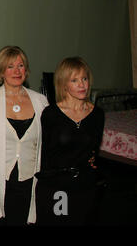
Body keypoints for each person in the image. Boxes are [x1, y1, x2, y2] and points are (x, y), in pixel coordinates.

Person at [35, 57, 105, 225]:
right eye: (74, 80)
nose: (82, 84)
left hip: (85, 186)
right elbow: (45, 156)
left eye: (84, 78)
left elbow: (94, 150)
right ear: (64, 84)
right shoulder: (51, 114)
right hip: (58, 187)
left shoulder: (97, 114)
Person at [0, 46, 49, 226]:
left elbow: (51, 140)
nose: (17, 71)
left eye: (20, 66)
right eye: (10, 66)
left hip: (29, 181)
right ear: (1, 71)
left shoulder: (40, 102)